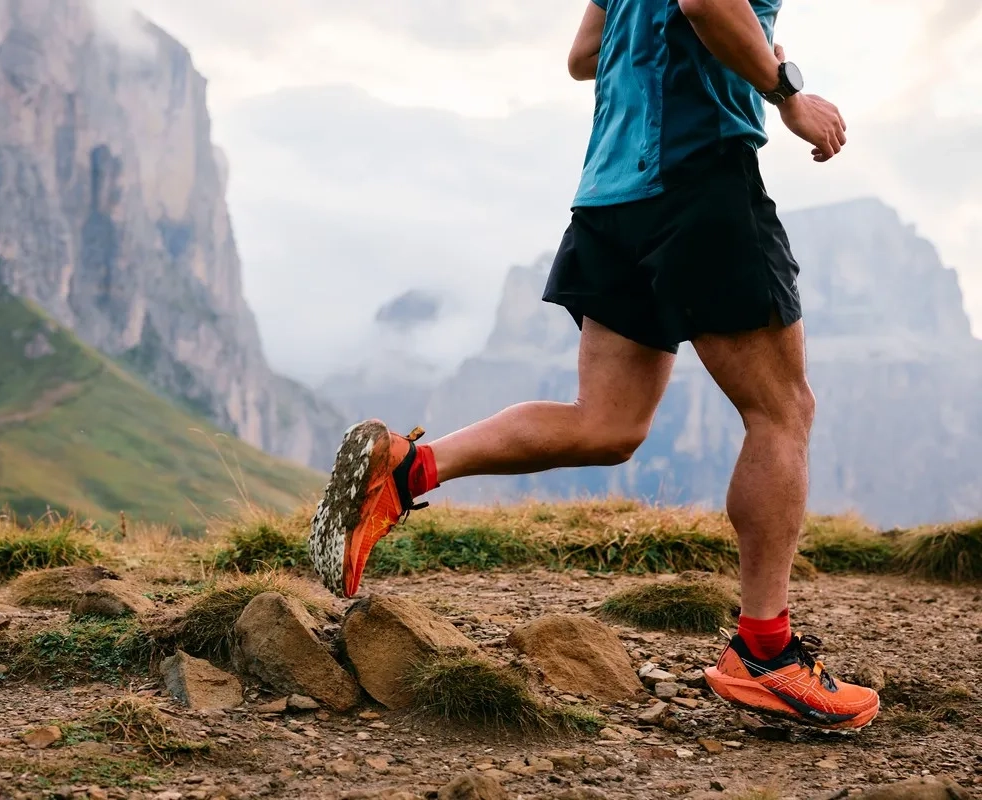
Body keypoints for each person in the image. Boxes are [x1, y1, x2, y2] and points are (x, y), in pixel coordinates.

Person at [308, 0, 879, 731]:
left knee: (607, 424)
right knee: (782, 411)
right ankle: (765, 652)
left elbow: (585, 55)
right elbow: (706, 4)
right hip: (700, 179)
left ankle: (406, 469)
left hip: (611, 198)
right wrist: (785, 88)